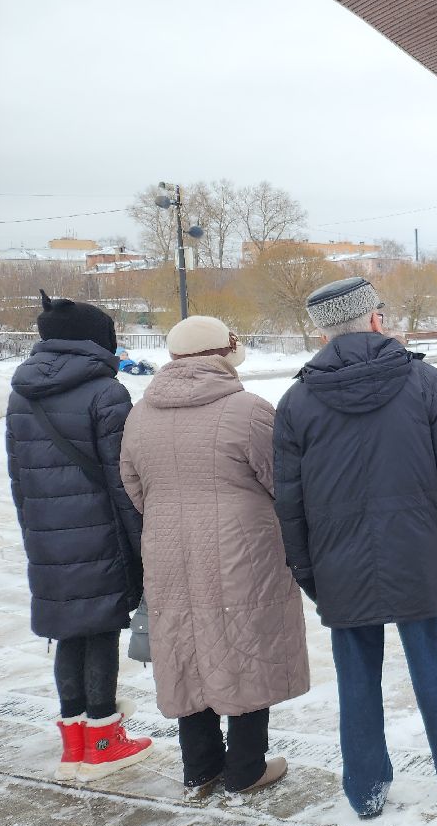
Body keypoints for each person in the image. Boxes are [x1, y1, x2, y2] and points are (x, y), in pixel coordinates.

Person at [274, 277, 437, 818]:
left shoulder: (296, 401)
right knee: (432, 659)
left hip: (338, 560)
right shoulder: (424, 382)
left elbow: (287, 501)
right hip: (417, 548)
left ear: (323, 333)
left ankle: (365, 788)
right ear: (375, 319)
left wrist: (306, 569)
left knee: (356, 675)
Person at [119, 316, 308, 796]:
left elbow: (134, 486)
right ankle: (246, 768)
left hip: (166, 549)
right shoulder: (248, 410)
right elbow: (281, 482)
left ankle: (200, 768)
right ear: (222, 354)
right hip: (243, 550)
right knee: (245, 641)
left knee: (186, 646)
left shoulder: (141, 414)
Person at [5, 291, 152, 780]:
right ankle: (104, 739)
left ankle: (73, 742)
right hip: (100, 532)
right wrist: (142, 543)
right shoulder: (106, 392)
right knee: (102, 629)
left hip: (46, 536)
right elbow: (122, 478)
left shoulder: (20, 393)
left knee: (69, 630)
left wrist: (34, 532)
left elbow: (18, 477)